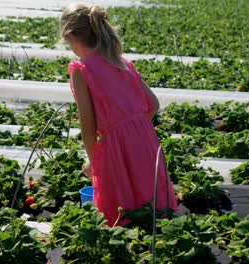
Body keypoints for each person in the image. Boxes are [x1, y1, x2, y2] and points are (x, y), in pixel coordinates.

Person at [59, 3, 178, 226]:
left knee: (122, 218)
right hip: (147, 141)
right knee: (154, 212)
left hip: (117, 147)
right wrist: (133, 128)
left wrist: (95, 160)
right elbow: (153, 104)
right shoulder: (122, 63)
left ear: (70, 36)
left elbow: (87, 124)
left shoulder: (81, 70)